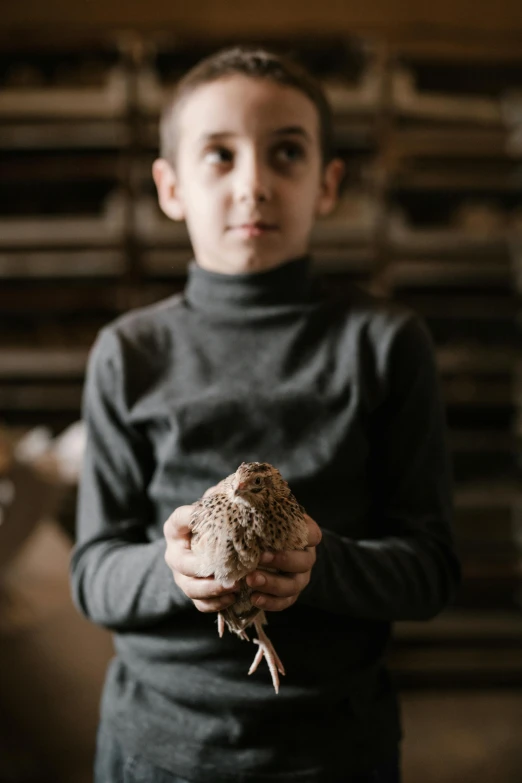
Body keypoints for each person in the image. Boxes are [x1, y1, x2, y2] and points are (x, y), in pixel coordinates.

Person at [70, 46, 461, 783]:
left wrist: (322, 562)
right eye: (219, 155)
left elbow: (432, 569)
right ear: (170, 185)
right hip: (159, 745)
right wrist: (174, 569)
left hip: (334, 745)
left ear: (328, 183)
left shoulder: (384, 345)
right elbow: (93, 572)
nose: (253, 185)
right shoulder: (129, 352)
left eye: (286, 152)